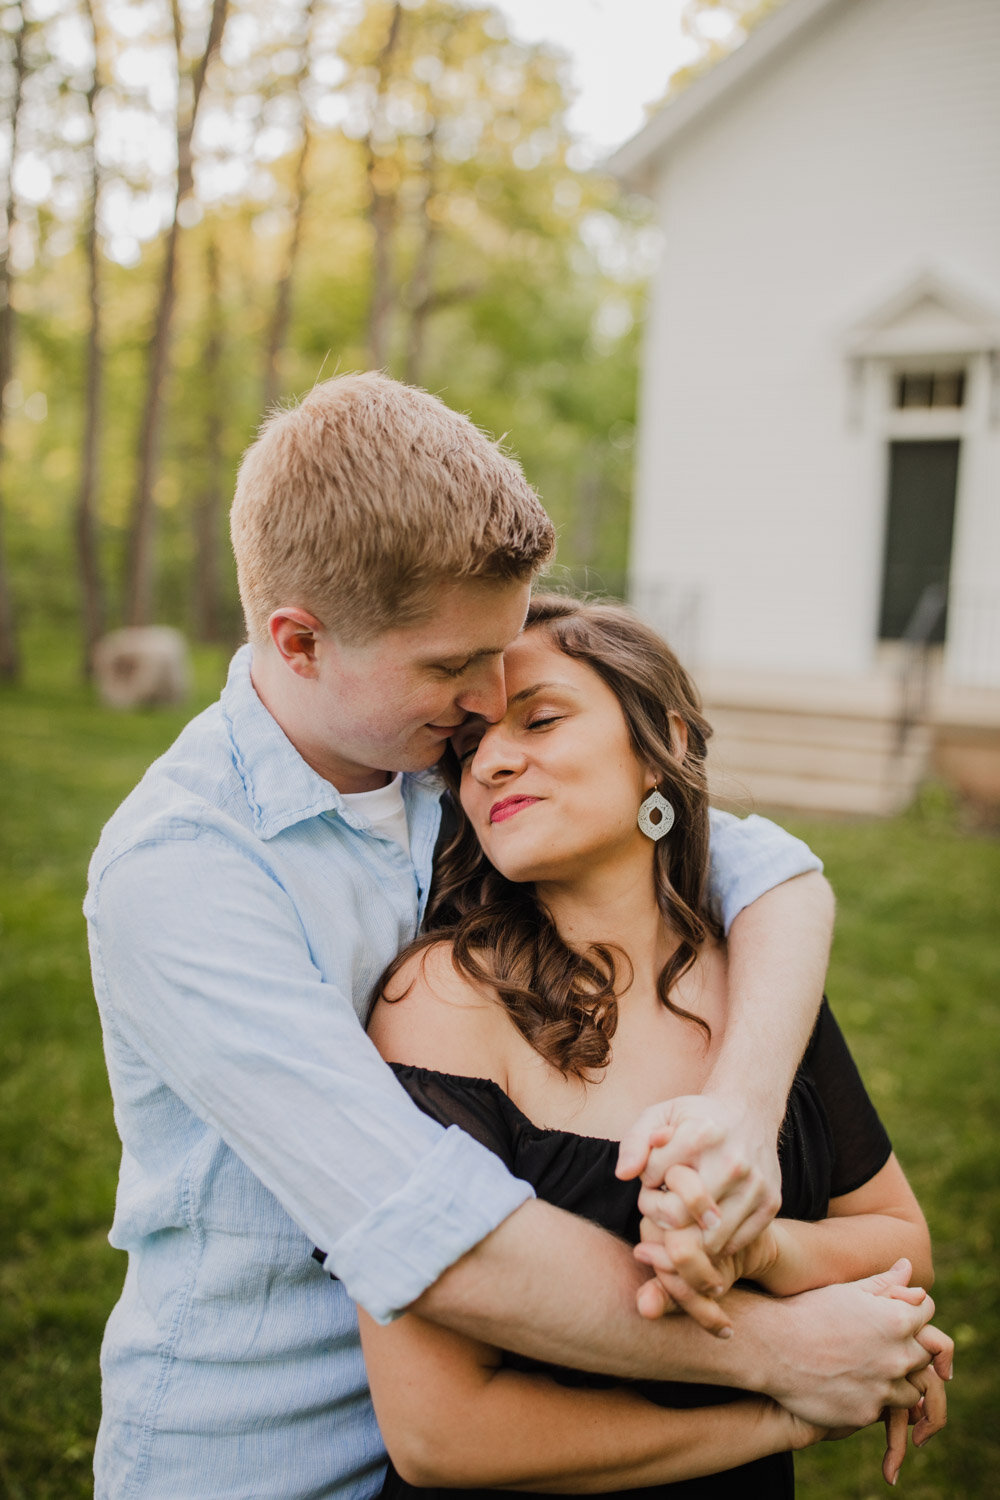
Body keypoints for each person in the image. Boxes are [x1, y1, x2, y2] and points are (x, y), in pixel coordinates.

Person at [85, 374, 947, 1500]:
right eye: (454, 667)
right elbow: (439, 1236)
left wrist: (740, 1114)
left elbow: (759, 867)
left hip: (515, 1415)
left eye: (502, 656)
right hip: (265, 1454)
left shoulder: (439, 763)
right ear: (298, 644)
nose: (489, 701)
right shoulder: (183, 873)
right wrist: (785, 1363)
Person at [360, 593, 949, 1498]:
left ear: (656, 743)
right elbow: (440, 1433)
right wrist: (790, 1406)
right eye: (470, 747)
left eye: (541, 718)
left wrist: (761, 1254)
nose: (492, 762)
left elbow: (898, 1234)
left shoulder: (759, 986)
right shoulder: (444, 1000)